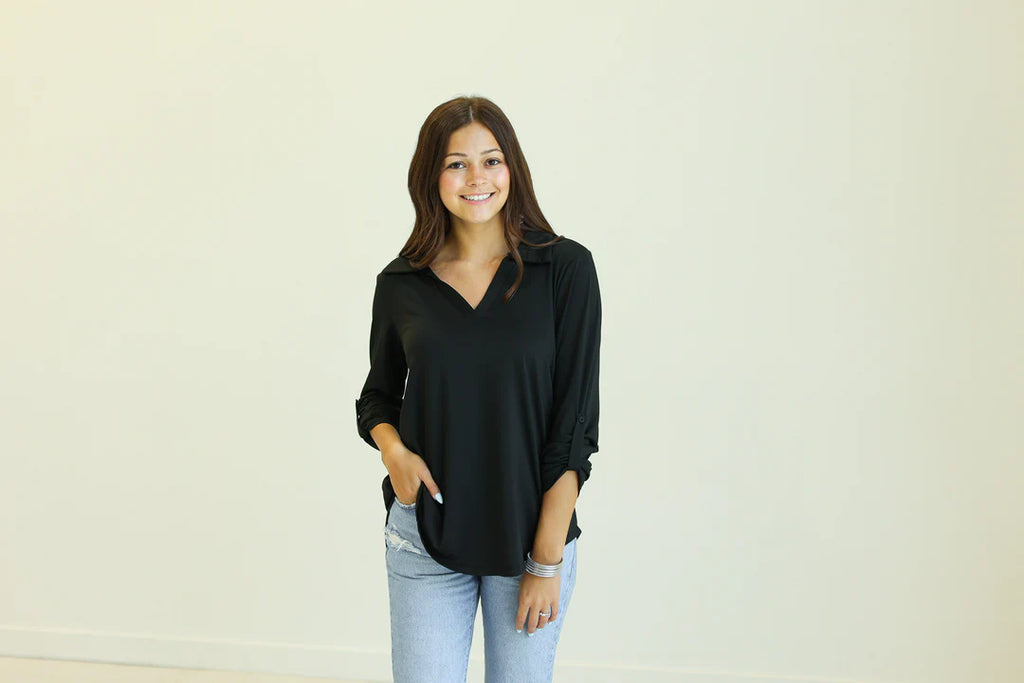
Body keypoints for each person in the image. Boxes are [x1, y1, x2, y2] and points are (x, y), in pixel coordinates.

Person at [355, 95, 602, 683]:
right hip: (425, 532)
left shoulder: (565, 271)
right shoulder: (401, 283)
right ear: (431, 176)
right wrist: (394, 451)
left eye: (491, 161)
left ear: (512, 168)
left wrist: (546, 560)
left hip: (529, 539)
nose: (476, 179)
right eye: (456, 164)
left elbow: (575, 428)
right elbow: (377, 397)